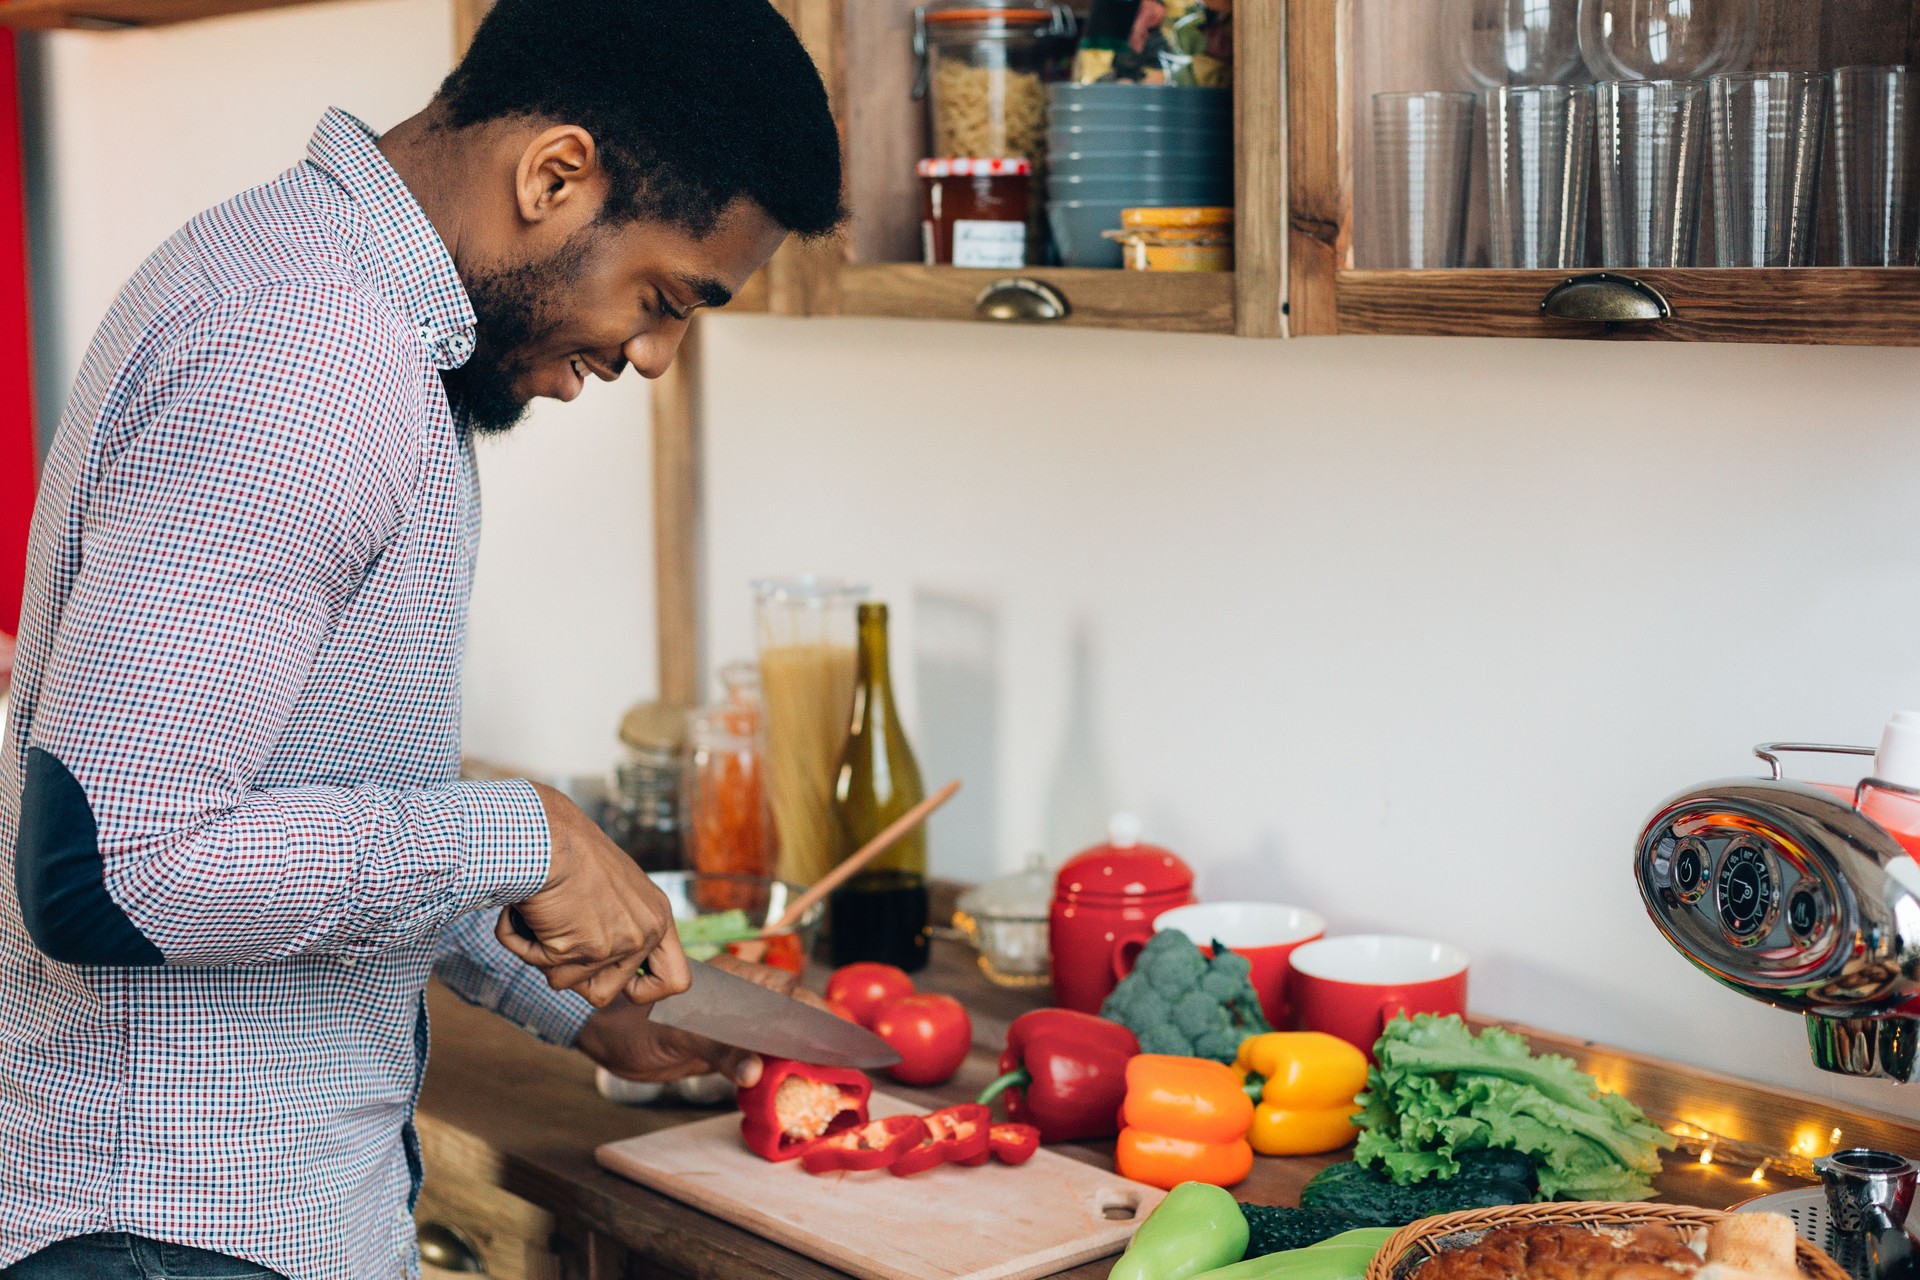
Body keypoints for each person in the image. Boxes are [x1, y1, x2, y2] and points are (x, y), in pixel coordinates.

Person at [0, 0, 842, 1276]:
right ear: (555, 174)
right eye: (665, 295)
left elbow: (300, 798)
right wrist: (524, 832)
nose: (657, 354)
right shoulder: (309, 354)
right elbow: (112, 866)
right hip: (173, 1237)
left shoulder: (322, 295)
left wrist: (573, 1006)